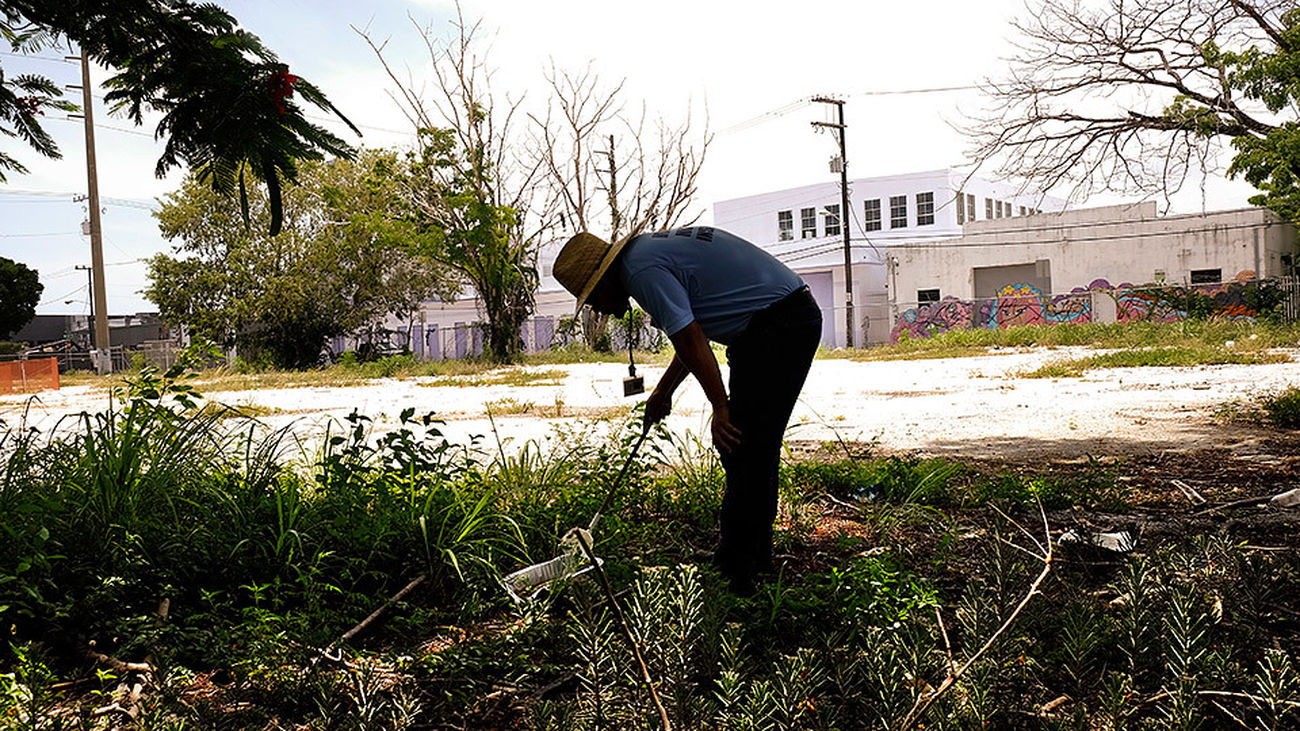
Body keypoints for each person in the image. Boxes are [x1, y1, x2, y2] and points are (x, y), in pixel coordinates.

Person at [553, 226, 822, 593]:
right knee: (753, 446)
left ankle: (738, 572)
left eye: (593, 299)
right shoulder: (645, 256)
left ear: (603, 281)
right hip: (774, 323)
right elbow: (694, 330)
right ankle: (749, 556)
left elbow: (691, 336)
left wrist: (720, 406)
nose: (600, 308)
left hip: (779, 325)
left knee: (743, 444)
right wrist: (663, 392)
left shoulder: (641, 272)